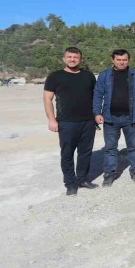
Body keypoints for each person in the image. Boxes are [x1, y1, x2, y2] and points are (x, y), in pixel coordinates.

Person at [43, 47, 98, 196]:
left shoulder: (88, 76)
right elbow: (47, 99)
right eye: (69, 57)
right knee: (67, 154)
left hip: (88, 121)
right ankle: (70, 183)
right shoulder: (55, 76)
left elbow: (95, 97)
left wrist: (96, 115)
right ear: (64, 58)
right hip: (66, 122)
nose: (72, 59)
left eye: (75, 57)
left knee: (85, 153)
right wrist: (51, 120)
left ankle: (82, 179)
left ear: (80, 59)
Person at [93, 49, 135, 187]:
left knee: (133, 147)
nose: (121, 62)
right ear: (112, 60)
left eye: (124, 60)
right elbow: (98, 94)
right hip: (110, 118)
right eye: (118, 60)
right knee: (110, 148)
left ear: (128, 60)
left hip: (131, 118)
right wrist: (97, 113)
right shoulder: (105, 75)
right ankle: (109, 174)